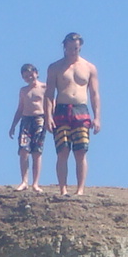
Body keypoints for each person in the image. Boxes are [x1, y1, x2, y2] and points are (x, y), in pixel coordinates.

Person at [46, 32, 102, 195]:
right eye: (70, 48)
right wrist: (48, 116)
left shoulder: (89, 67)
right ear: (64, 47)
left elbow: (94, 94)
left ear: (80, 47)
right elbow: (49, 94)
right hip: (61, 110)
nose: (73, 51)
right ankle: (63, 189)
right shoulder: (55, 67)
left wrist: (97, 117)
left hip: (81, 110)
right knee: (62, 150)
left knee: (81, 151)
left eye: (76, 48)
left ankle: (80, 189)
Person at [8, 63, 49, 191]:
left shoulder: (44, 87)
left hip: (39, 119)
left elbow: (50, 105)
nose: (29, 77)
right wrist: (13, 125)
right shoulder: (23, 91)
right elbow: (20, 108)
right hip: (25, 120)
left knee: (36, 152)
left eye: (31, 74)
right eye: (26, 76)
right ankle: (24, 181)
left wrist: (50, 120)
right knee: (23, 151)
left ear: (36, 73)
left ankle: (35, 183)